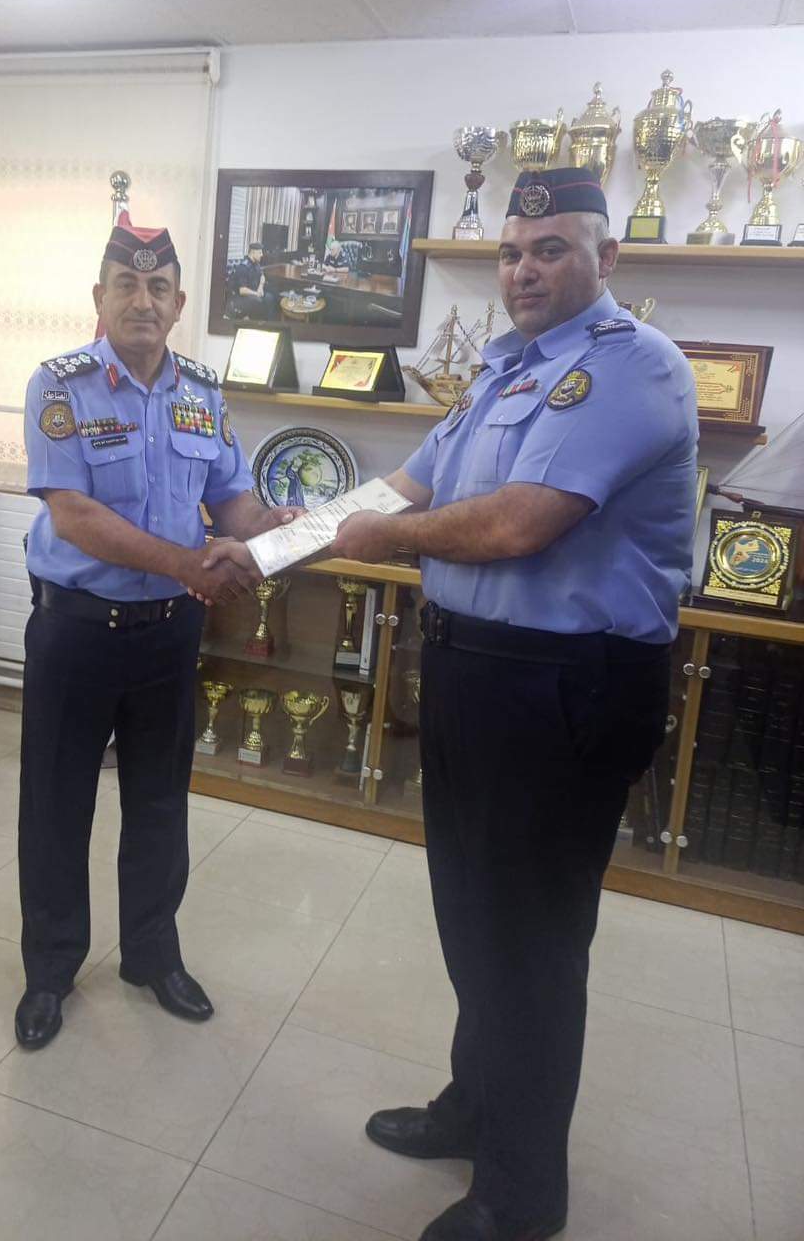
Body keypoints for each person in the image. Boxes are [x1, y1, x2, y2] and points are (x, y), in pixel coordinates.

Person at [330, 167, 698, 1241]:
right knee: (471, 917)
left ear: (605, 258)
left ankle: (522, 1197)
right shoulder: (502, 370)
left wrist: (380, 539)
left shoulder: (633, 366)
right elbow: (409, 487)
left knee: (531, 944)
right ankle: (474, 1108)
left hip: (565, 686)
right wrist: (278, 542)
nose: (524, 270)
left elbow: (515, 524)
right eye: (510, 252)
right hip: (475, 671)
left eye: (550, 249)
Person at [15, 219, 291, 1050]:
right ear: (99, 298)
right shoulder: (59, 385)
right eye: (127, 285)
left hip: (169, 633)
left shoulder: (202, 391)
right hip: (77, 630)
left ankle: (151, 955)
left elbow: (232, 501)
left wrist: (279, 529)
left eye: (158, 288)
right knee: (57, 805)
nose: (143, 300)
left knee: (161, 802)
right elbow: (76, 516)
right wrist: (189, 563)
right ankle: (50, 970)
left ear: (178, 305)